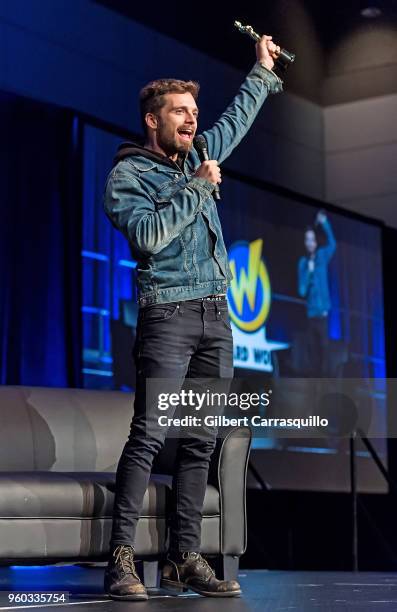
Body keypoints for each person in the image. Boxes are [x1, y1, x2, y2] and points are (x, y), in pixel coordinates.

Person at [103, 35, 283, 601]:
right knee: (150, 435)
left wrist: (261, 69)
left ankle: (183, 558)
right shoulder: (128, 177)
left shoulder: (197, 154)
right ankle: (121, 560)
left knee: (202, 439)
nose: (192, 120)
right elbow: (152, 237)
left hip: (215, 315)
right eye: (180, 112)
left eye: (194, 111)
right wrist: (200, 189)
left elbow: (235, 120)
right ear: (153, 120)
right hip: (169, 313)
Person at [298, 211, 336, 376]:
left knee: (325, 352)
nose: (310, 243)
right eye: (307, 240)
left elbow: (333, 244)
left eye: (312, 239)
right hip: (311, 316)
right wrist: (309, 272)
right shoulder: (303, 263)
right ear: (305, 242)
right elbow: (302, 290)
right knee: (313, 354)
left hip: (324, 314)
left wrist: (324, 223)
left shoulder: (322, 256)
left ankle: (325, 385)